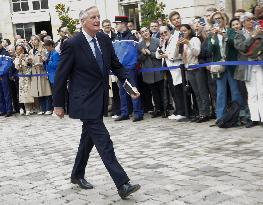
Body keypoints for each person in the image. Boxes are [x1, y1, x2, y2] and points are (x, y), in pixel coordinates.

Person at [53, 6, 141, 199]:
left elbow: (116, 66)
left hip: (99, 98)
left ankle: (77, 175)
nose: (97, 20)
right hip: (83, 101)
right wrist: (58, 104)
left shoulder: (103, 38)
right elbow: (61, 75)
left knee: (88, 139)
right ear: (83, 21)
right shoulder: (73, 43)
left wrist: (129, 87)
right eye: (93, 17)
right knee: (104, 141)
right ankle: (122, 183)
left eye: (99, 17)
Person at [207, 11, 243, 121]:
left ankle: (238, 116)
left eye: (219, 18)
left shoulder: (231, 31)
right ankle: (220, 117)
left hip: (231, 65)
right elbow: (209, 50)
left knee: (235, 91)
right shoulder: (211, 34)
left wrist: (224, 35)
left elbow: (234, 44)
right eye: (215, 19)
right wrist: (213, 36)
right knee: (220, 92)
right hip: (219, 67)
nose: (217, 20)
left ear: (224, 19)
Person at [234, 12, 263, 128]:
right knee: (251, 93)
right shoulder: (239, 34)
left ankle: (262, 117)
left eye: (252, 19)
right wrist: (252, 36)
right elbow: (241, 47)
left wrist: (258, 34)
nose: (251, 21)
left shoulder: (260, 32)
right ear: (243, 22)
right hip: (247, 67)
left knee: (261, 92)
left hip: (259, 64)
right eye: (248, 20)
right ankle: (254, 118)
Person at [113, 16, 144, 122]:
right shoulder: (116, 37)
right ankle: (125, 113)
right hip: (120, 69)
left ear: (123, 24)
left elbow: (137, 53)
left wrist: (132, 63)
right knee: (122, 92)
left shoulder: (132, 37)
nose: (115, 26)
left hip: (129, 68)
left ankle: (138, 113)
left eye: (117, 24)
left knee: (133, 90)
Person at [180, 24, 211, 122]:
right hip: (189, 69)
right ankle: (201, 112)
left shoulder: (195, 39)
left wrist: (189, 43)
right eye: (181, 31)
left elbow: (197, 53)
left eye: (184, 30)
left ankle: (206, 113)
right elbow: (180, 56)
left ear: (189, 30)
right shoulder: (183, 42)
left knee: (202, 91)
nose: (183, 33)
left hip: (197, 68)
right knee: (196, 93)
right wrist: (179, 46)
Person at [156, 26, 185, 120]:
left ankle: (182, 111)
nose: (164, 34)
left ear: (169, 31)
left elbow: (178, 54)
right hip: (167, 69)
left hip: (176, 68)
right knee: (173, 91)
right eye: (161, 33)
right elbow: (157, 55)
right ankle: (178, 110)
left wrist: (167, 56)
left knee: (178, 90)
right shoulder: (164, 41)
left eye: (165, 32)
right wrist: (160, 46)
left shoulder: (175, 38)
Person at [138, 27, 164, 118]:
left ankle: (164, 109)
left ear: (149, 31)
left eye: (146, 31)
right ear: (140, 34)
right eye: (142, 32)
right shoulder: (140, 44)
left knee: (162, 90)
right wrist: (143, 54)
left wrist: (150, 53)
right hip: (148, 72)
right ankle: (157, 109)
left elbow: (161, 54)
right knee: (154, 91)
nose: (145, 33)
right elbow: (139, 59)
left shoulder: (157, 41)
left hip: (158, 69)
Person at [29, 35, 52, 115]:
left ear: (38, 40)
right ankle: (42, 108)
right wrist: (30, 61)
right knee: (39, 91)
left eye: (35, 39)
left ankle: (49, 108)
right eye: (32, 40)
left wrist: (42, 62)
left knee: (46, 90)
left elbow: (47, 60)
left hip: (42, 72)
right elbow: (30, 62)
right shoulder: (31, 51)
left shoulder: (43, 49)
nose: (33, 41)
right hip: (35, 73)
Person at [14, 44, 34, 116]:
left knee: (30, 91)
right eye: (18, 49)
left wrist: (29, 60)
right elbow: (17, 68)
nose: (19, 51)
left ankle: (32, 108)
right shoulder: (16, 58)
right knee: (24, 93)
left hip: (29, 76)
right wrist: (19, 58)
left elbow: (30, 64)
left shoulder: (27, 56)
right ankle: (27, 108)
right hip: (22, 78)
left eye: (21, 49)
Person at [0, 40, 13, 117]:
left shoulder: (5, 53)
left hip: (4, 76)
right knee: (0, 94)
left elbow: (6, 65)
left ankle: (9, 110)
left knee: (6, 93)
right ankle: (2, 110)